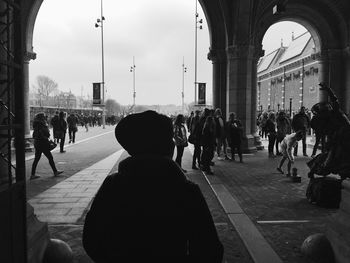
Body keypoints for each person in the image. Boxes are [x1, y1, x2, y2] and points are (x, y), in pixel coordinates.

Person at [83, 110, 223, 262]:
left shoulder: (113, 186)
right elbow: (210, 249)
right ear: (167, 147)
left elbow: (92, 239)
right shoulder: (186, 191)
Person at [30, 112, 63, 180]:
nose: (45, 117)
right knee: (50, 157)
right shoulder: (40, 124)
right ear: (41, 117)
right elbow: (41, 134)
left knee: (37, 159)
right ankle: (55, 171)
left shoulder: (38, 124)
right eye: (44, 116)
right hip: (42, 143)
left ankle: (32, 174)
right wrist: (46, 138)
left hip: (39, 143)